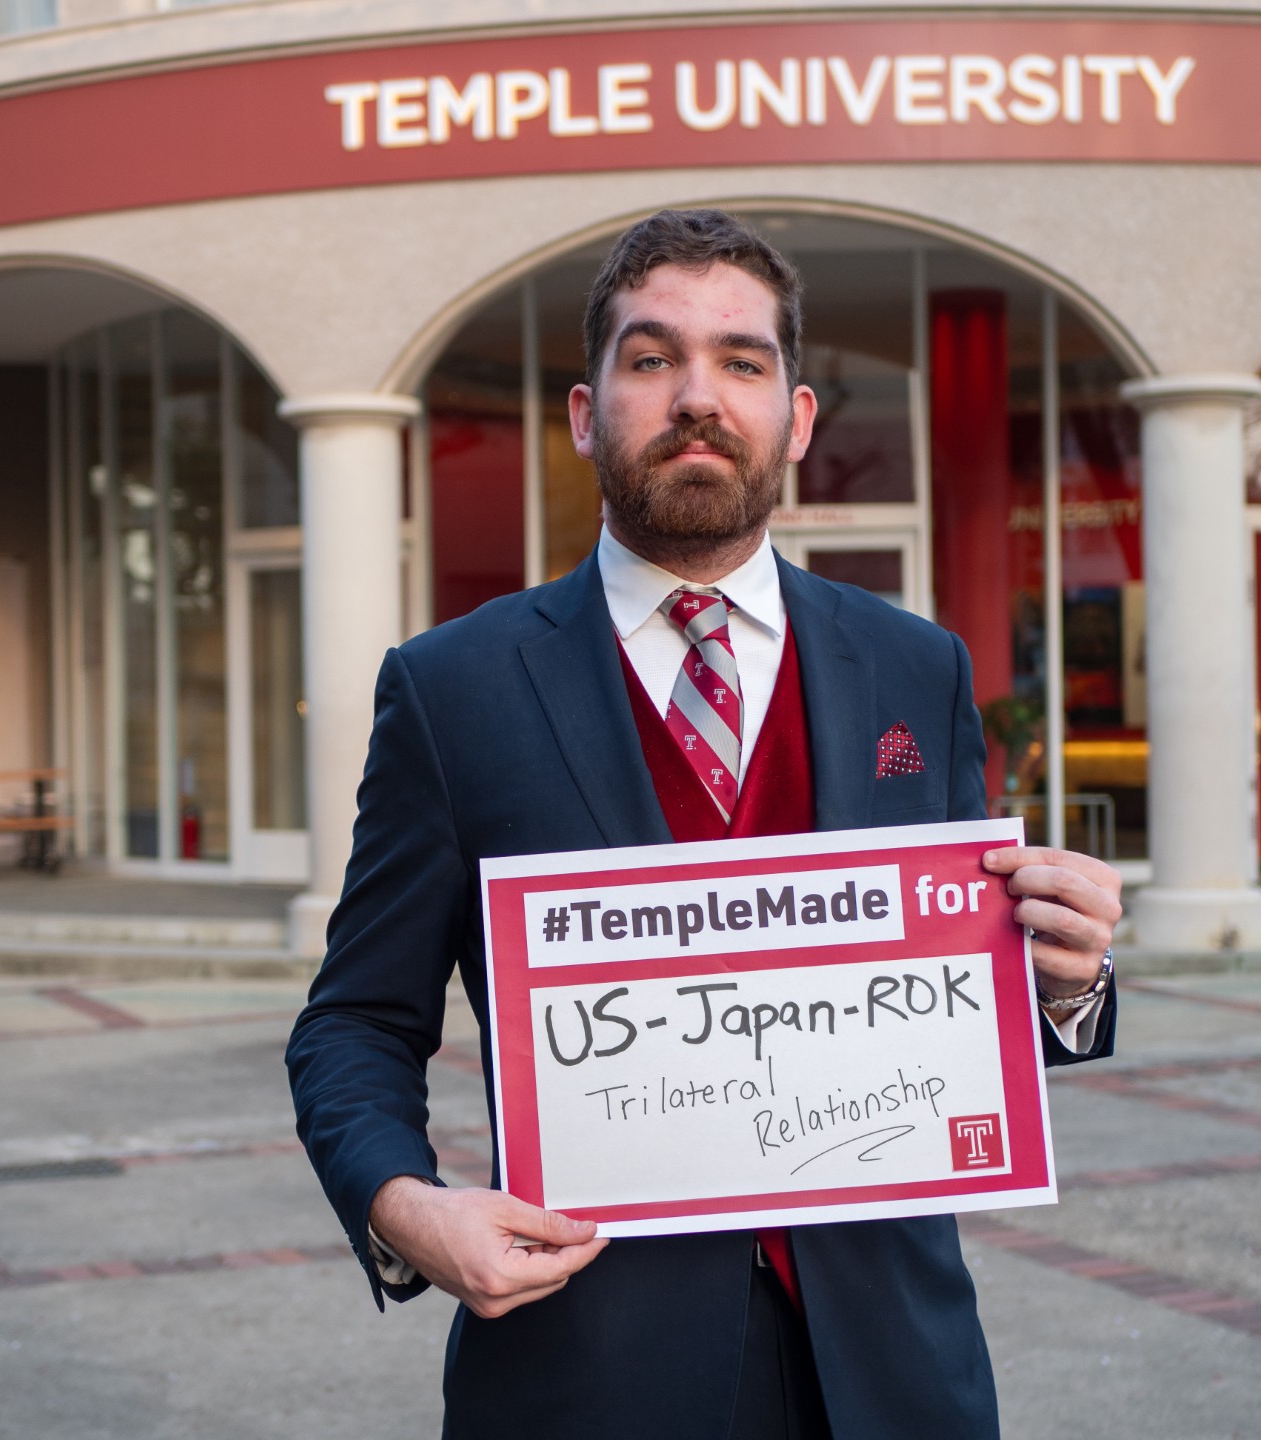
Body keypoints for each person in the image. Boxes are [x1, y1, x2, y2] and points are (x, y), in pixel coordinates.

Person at [288, 208, 1123, 1440]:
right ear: (586, 414)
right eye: (650, 358)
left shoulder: (915, 669)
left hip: (892, 1374)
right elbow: (356, 1020)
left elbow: (961, 1010)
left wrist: (1063, 985)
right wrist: (405, 1206)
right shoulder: (452, 690)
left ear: (796, 418)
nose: (697, 395)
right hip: (587, 1372)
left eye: (741, 361)